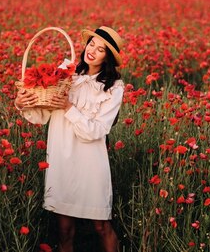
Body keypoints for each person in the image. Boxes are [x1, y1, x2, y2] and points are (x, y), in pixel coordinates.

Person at [14, 26, 125, 252]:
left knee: (101, 226)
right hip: (61, 157)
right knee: (64, 230)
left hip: (91, 161)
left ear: (108, 58)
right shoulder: (66, 72)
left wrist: (68, 107)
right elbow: (42, 114)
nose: (92, 50)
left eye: (101, 49)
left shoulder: (114, 87)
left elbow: (96, 131)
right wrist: (23, 102)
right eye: (91, 43)